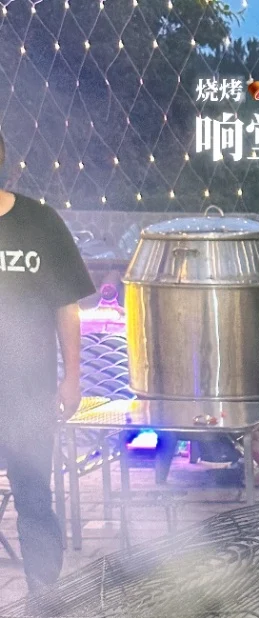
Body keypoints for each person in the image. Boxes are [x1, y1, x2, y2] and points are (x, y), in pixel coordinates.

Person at [0, 131, 93, 594]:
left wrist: (72, 377)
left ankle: (44, 596)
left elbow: (66, 306)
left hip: (29, 390)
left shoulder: (40, 223)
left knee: (34, 492)